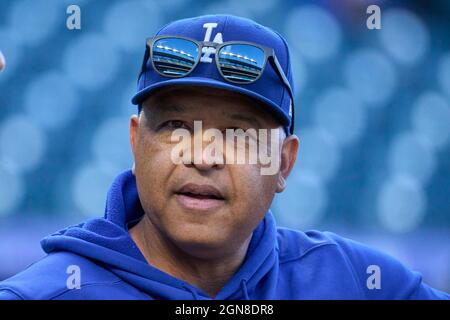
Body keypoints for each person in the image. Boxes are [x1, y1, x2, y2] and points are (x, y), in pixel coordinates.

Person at [0, 14, 448, 300]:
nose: (202, 154)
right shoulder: (46, 294)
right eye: (175, 126)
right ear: (136, 144)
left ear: (284, 165)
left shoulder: (357, 283)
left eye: (237, 133)